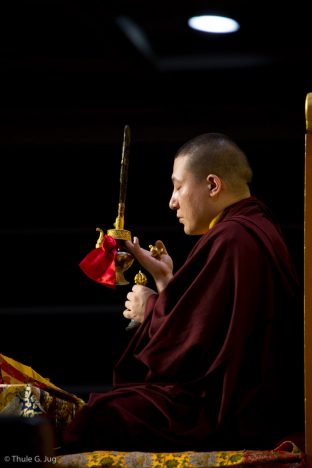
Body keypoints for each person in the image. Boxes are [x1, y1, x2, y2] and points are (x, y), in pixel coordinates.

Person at [60, 132, 303, 453]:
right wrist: (166, 282)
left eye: (178, 186)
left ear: (213, 185)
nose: (172, 201)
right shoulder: (252, 226)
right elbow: (215, 329)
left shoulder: (233, 238)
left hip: (228, 411)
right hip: (243, 399)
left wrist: (150, 308)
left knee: (103, 416)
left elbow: (193, 353)